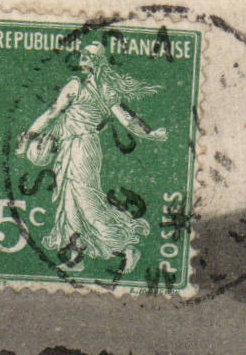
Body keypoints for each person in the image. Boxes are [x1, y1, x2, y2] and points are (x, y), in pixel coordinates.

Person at [17, 41, 168, 273]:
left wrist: (151, 134)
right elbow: (52, 114)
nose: (82, 57)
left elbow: (126, 119)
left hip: (83, 148)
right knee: (69, 203)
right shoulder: (79, 86)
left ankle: (126, 248)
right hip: (69, 147)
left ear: (98, 60)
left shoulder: (97, 89)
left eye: (88, 54)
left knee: (88, 203)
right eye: (82, 53)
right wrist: (29, 135)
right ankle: (77, 255)